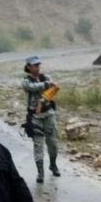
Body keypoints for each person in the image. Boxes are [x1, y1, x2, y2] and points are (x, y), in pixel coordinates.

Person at [21, 55, 60, 183]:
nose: (37, 68)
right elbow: (32, 87)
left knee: (52, 143)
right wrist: (47, 84)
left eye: (38, 65)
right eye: (34, 65)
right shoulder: (26, 81)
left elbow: (54, 90)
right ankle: (40, 172)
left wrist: (42, 102)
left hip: (48, 114)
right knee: (38, 145)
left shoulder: (46, 77)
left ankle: (53, 164)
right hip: (35, 117)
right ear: (28, 67)